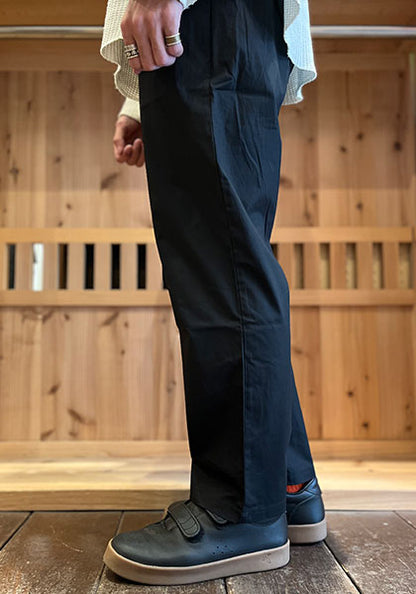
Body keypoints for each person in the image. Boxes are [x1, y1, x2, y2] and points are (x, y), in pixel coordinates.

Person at [100, 0, 326, 586]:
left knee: (223, 263)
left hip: (209, 21)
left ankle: (241, 509)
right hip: (205, 28)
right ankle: (285, 481)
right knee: (223, 257)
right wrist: (139, 99)